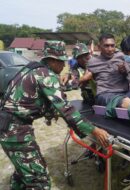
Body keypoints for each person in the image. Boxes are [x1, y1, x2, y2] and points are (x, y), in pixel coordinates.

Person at [0, 40, 109, 190]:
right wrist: (94, 130)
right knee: (39, 181)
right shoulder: (45, 75)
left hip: (8, 126)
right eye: (61, 62)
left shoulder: (32, 69)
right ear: (52, 60)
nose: (64, 66)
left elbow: (40, 96)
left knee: (23, 173)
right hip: (15, 132)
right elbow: (67, 110)